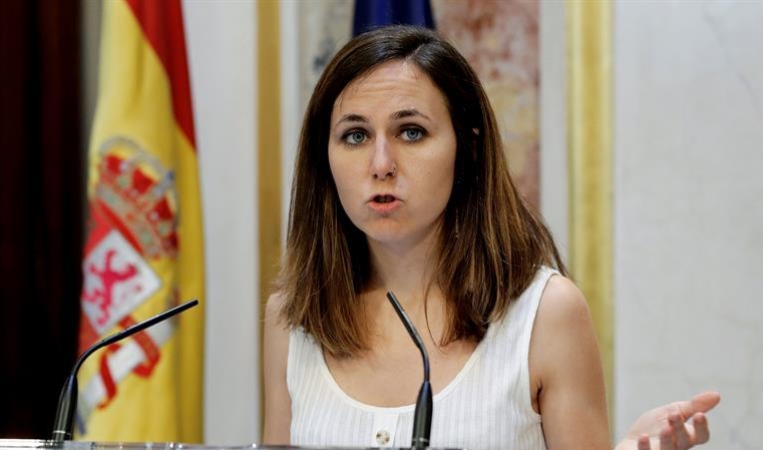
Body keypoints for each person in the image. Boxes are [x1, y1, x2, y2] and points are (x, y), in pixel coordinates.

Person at [262, 25, 720, 450]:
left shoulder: (544, 314)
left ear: (469, 148)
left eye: (411, 131)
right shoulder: (294, 317)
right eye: (356, 135)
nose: (381, 163)